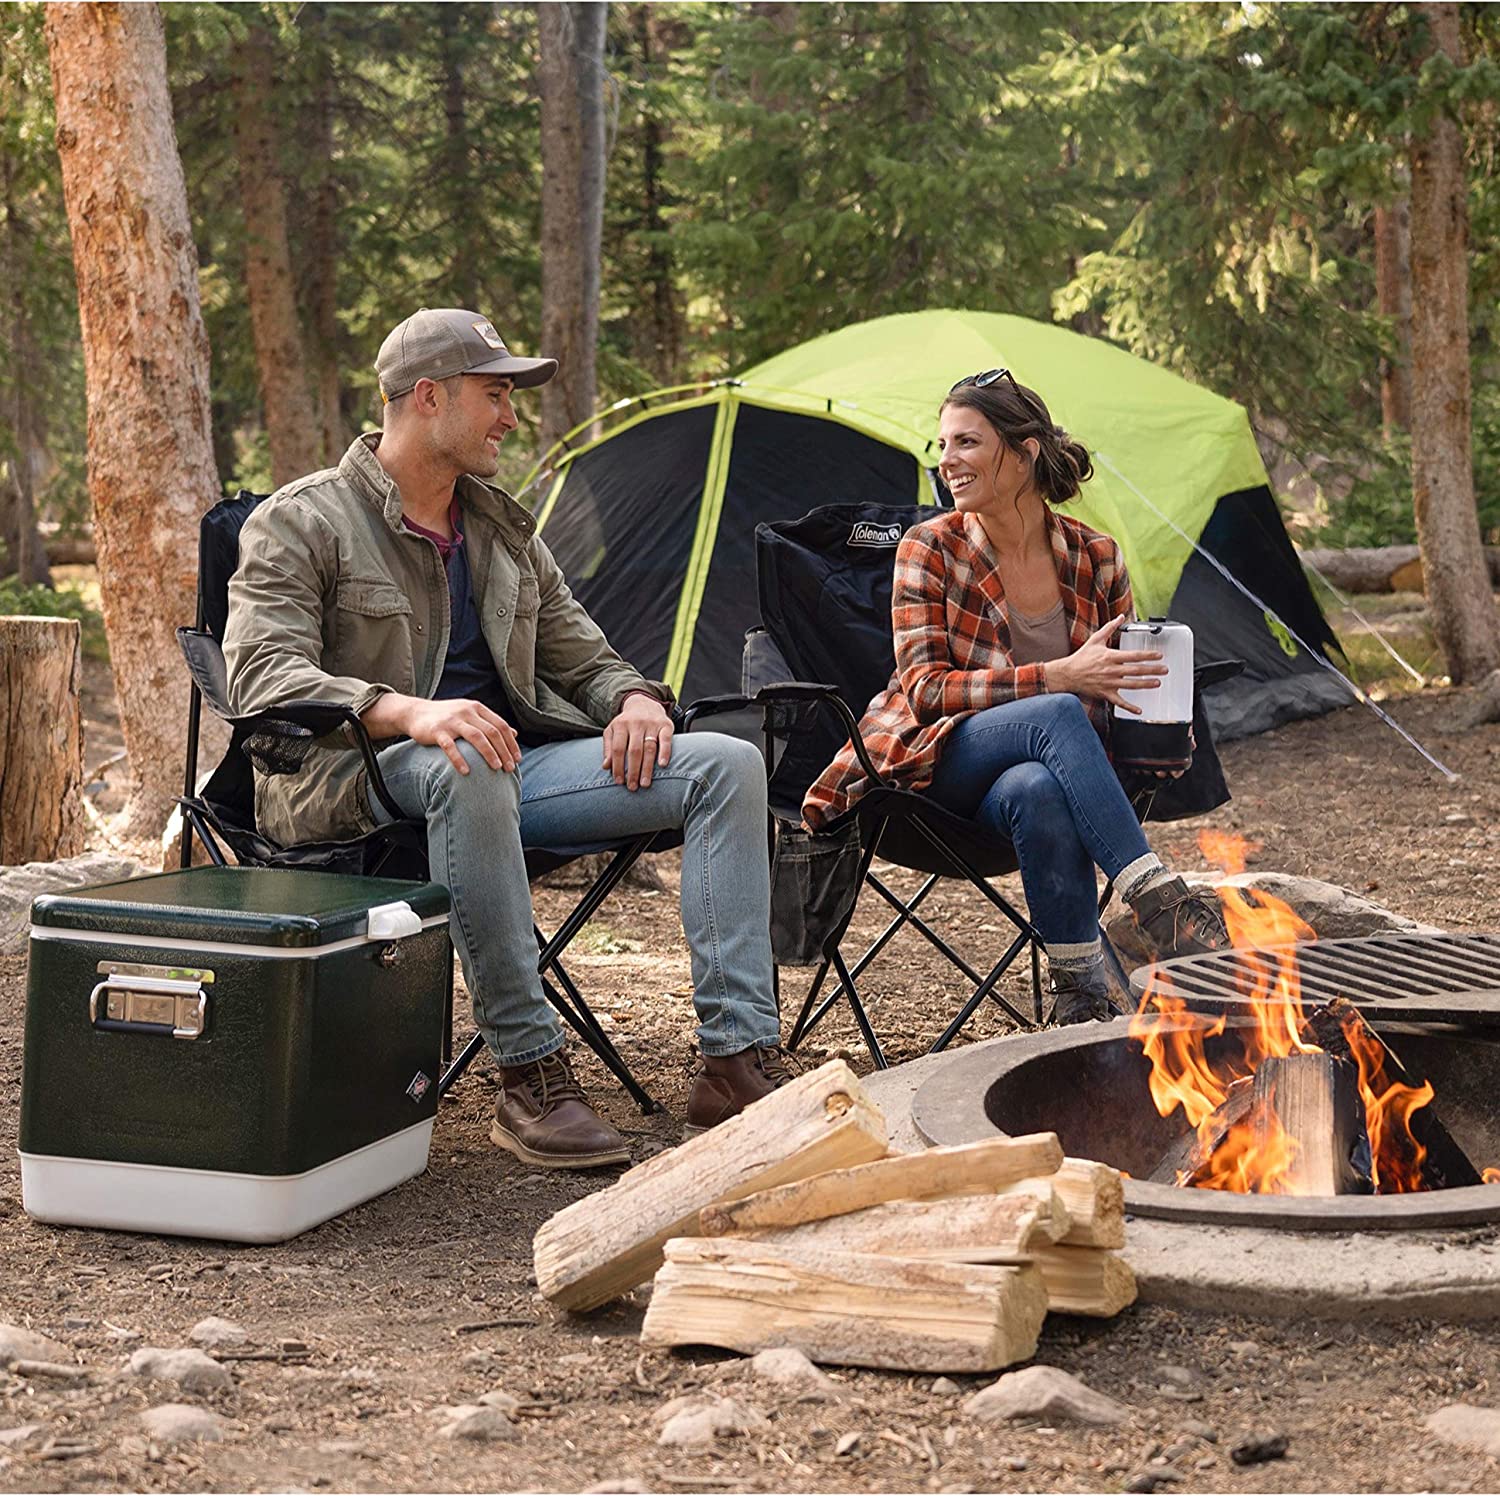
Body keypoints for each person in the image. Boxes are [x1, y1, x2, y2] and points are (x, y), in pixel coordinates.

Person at [223, 307, 787, 1168]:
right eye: (495, 395)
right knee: (465, 758)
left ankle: (732, 1058)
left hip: (504, 771)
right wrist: (407, 710)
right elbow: (260, 675)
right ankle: (527, 1074)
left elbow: (582, 653)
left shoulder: (501, 530)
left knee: (725, 763)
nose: (512, 419)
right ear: (427, 398)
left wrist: (634, 698)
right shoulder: (305, 520)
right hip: (348, 776)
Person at [802, 369, 1228, 1024]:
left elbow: (1117, 698)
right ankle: (1160, 901)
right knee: (1054, 710)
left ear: (1024, 452)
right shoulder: (930, 548)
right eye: (942, 445)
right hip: (935, 767)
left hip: (1029, 788)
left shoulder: (1097, 558)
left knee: (1038, 786)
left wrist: (1164, 730)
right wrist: (1055, 677)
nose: (946, 462)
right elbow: (924, 692)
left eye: (966, 443)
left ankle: (1079, 994)